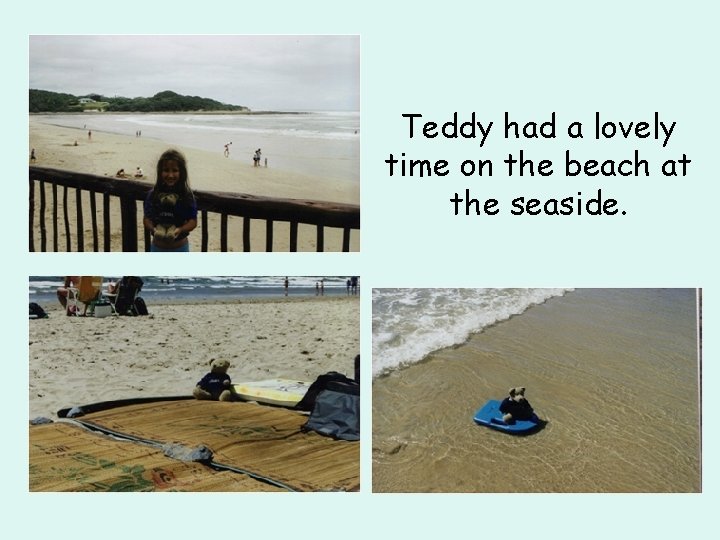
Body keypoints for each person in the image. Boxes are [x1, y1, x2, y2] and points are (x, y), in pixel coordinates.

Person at [143, 149, 198, 252]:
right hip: (157, 248)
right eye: (166, 170)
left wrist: (181, 229)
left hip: (180, 248)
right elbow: (147, 219)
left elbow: (193, 221)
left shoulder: (187, 195)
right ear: (160, 172)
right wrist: (153, 230)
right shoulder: (153, 194)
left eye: (175, 170)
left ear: (182, 172)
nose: (170, 175)